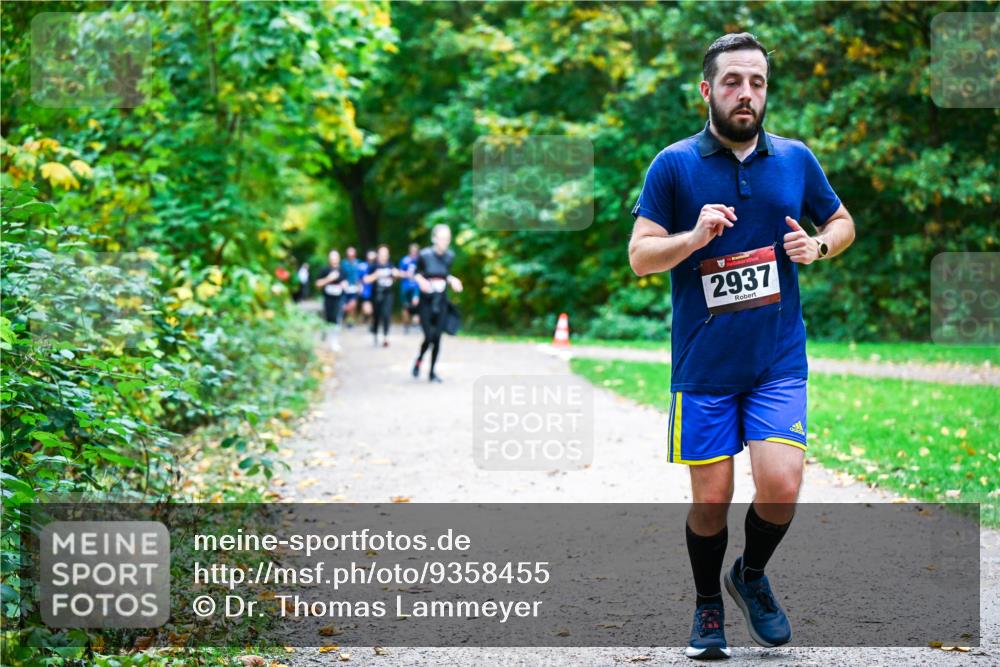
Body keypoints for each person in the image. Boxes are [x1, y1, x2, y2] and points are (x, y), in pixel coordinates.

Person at [627, 33, 855, 660]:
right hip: (703, 367)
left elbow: (841, 220)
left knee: (781, 487)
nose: (746, 93)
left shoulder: (795, 160)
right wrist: (694, 237)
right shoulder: (673, 165)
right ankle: (707, 607)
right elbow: (641, 257)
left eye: (756, 81)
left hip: (777, 359)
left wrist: (821, 246)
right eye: (732, 81)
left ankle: (749, 576)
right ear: (708, 89)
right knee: (712, 500)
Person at [411, 224, 462, 383]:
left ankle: (432, 372)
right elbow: (415, 274)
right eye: (442, 238)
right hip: (426, 302)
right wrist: (421, 282)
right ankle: (419, 360)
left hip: (441, 302)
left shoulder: (450, 256)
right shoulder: (425, 255)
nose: (445, 241)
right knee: (429, 337)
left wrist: (452, 279)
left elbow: (445, 274)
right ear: (434, 238)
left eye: (448, 238)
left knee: (438, 337)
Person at [363, 244, 401, 347]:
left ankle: (385, 337)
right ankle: (375, 333)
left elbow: (398, 276)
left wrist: (396, 274)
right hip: (376, 294)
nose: (384, 255)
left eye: (386, 253)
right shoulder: (373, 266)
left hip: (388, 294)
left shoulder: (390, 265)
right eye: (382, 253)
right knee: (376, 316)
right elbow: (365, 280)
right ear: (378, 254)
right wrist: (376, 275)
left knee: (386, 314)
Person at [314, 250, 348, 352]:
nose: (334, 260)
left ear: (339, 258)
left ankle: (334, 341)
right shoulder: (324, 270)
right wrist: (328, 279)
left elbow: (346, 283)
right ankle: (324, 336)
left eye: (335, 257)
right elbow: (317, 284)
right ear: (329, 259)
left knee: (337, 318)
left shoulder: (342, 270)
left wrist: (344, 285)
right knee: (328, 318)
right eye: (332, 257)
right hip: (328, 298)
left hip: (339, 298)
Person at [398, 243, 420, 334]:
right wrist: (407, 274)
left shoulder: (420, 260)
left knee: (418, 305)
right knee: (405, 307)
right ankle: (406, 325)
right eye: (412, 250)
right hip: (406, 287)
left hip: (417, 287)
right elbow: (399, 273)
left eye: (416, 250)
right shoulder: (404, 260)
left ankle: (416, 323)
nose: (414, 252)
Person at [341, 246, 361, 328]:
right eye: (349, 252)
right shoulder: (344, 263)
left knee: (353, 305)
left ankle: (351, 321)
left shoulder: (359, 263)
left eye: (352, 252)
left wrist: (360, 285)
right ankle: (346, 318)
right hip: (346, 287)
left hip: (355, 287)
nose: (351, 254)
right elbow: (341, 275)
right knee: (345, 306)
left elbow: (361, 275)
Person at [358, 249, 375, 325]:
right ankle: (364, 316)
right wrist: (359, 286)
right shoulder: (362, 266)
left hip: (376, 290)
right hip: (366, 290)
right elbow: (358, 279)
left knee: (373, 309)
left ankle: (372, 323)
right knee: (368, 310)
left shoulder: (377, 266)